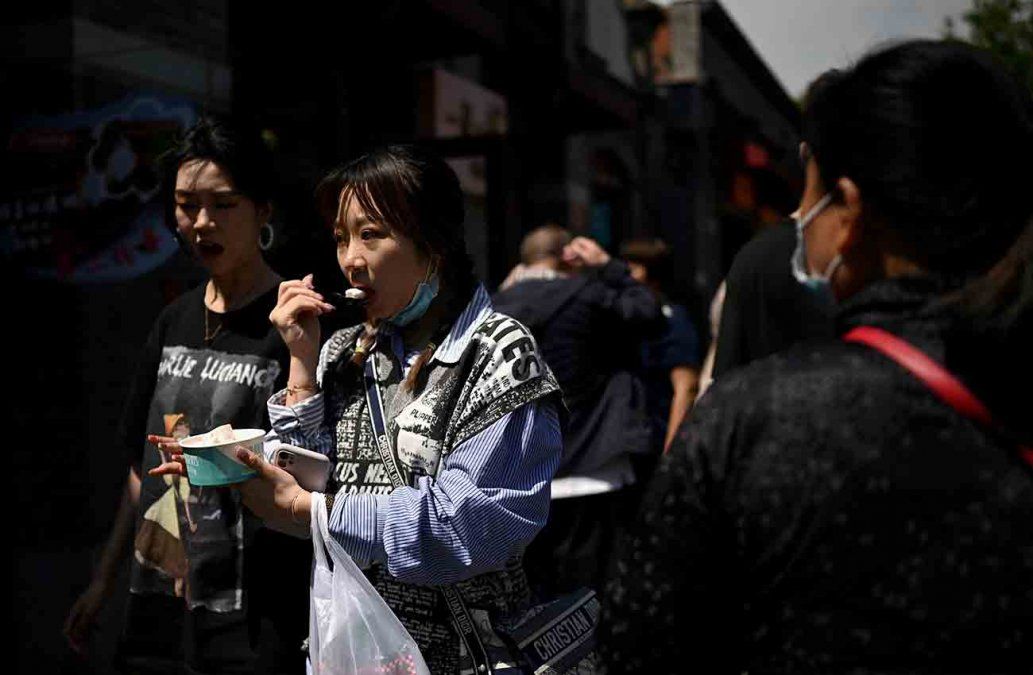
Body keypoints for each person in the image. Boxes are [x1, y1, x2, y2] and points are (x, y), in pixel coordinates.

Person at [600, 40, 1033, 673]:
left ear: (849, 212)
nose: (800, 218)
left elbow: (638, 648)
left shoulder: (751, 422)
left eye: (810, 197)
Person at [158, 145, 565, 673]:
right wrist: (299, 366)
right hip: (353, 652)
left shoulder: (499, 353)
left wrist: (314, 511)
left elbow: (469, 526)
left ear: (433, 242)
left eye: (371, 235)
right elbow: (306, 486)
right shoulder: (342, 351)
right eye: (340, 238)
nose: (350, 259)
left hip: (465, 657)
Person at [64, 116, 308, 673]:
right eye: (186, 204)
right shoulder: (172, 320)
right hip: (158, 612)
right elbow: (141, 465)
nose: (201, 222)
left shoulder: (294, 325)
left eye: (223, 205)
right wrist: (104, 580)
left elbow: (309, 471)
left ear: (263, 211)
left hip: (254, 619)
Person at [493, 225, 663, 598]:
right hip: (593, 462)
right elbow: (649, 313)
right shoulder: (589, 295)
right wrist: (608, 265)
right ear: (569, 256)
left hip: (523, 474)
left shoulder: (496, 308)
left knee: (534, 598)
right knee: (595, 593)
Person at [619, 238, 702, 454]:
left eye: (631, 269)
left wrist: (670, 453)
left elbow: (686, 388)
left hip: (654, 440)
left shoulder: (672, 319)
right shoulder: (624, 317)